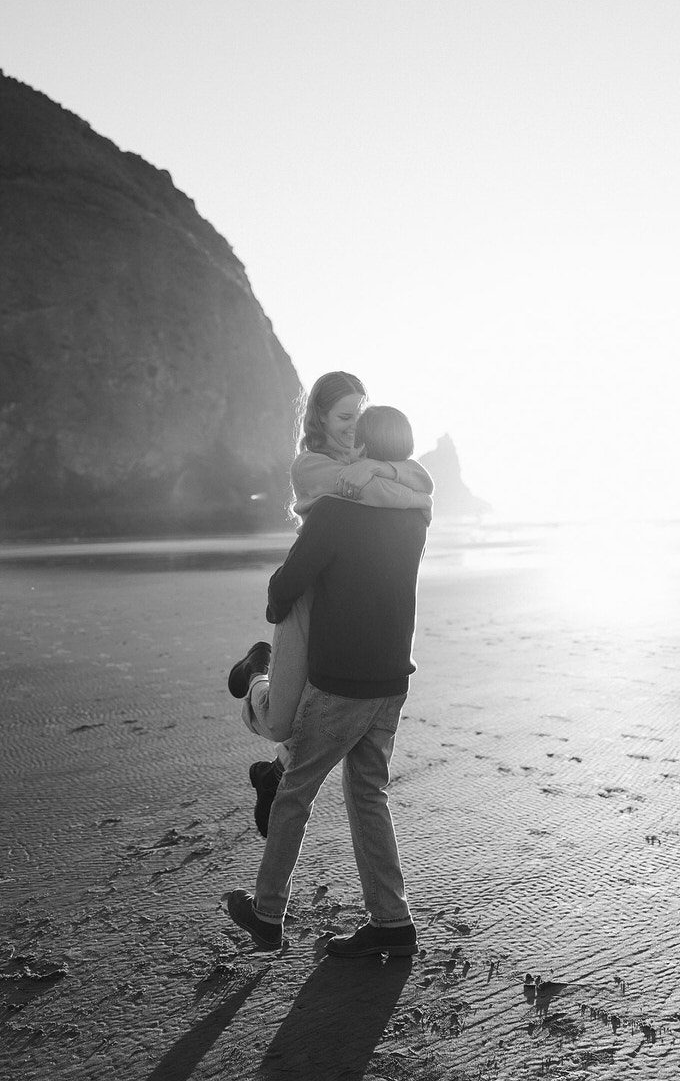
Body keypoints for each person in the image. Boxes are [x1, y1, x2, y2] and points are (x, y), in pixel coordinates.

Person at [225, 404, 429, 959]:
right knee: (368, 795)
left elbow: (285, 585)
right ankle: (392, 920)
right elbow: (412, 479)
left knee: (294, 793)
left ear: (361, 449)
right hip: (392, 678)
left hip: (342, 680)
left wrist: (287, 611)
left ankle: (267, 914)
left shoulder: (337, 510)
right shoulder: (417, 512)